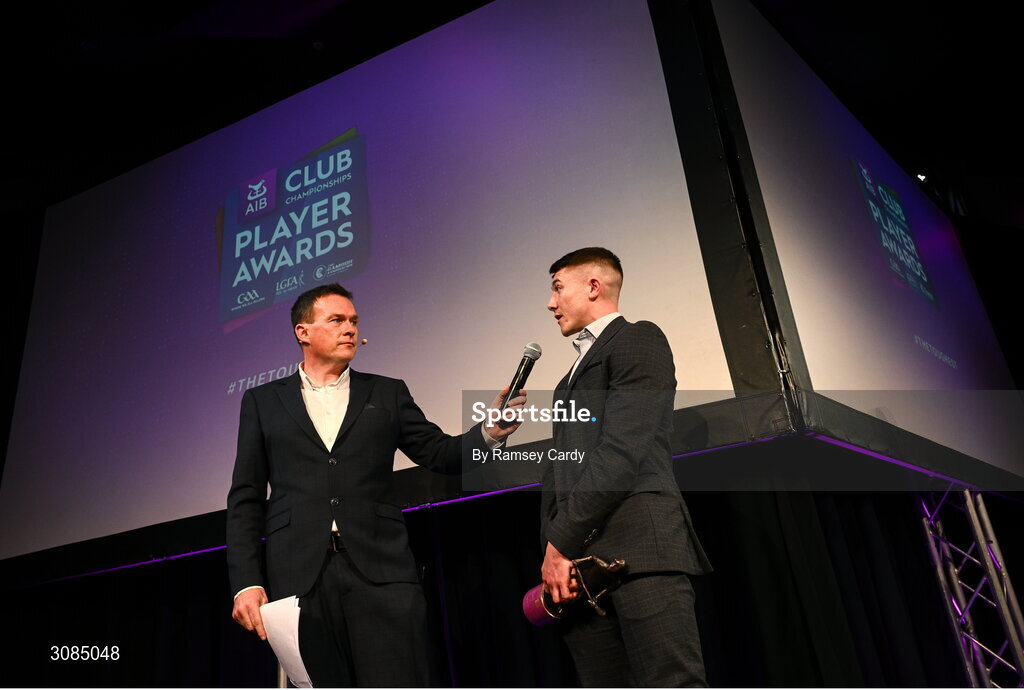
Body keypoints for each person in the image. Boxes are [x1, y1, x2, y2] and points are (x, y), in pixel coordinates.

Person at [227, 283, 524, 686]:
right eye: (336, 320)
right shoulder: (262, 401)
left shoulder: (386, 392)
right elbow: (245, 498)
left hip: (382, 572)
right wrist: (247, 581)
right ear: (303, 332)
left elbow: (439, 453)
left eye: (353, 321)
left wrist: (489, 432)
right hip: (298, 578)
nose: (349, 329)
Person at [540, 247, 712, 687]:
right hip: (580, 571)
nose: (550, 302)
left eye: (558, 288)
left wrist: (558, 544)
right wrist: (555, 550)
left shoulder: (638, 338)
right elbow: (563, 469)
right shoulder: (566, 382)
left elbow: (621, 453)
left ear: (593, 287)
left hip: (640, 553)